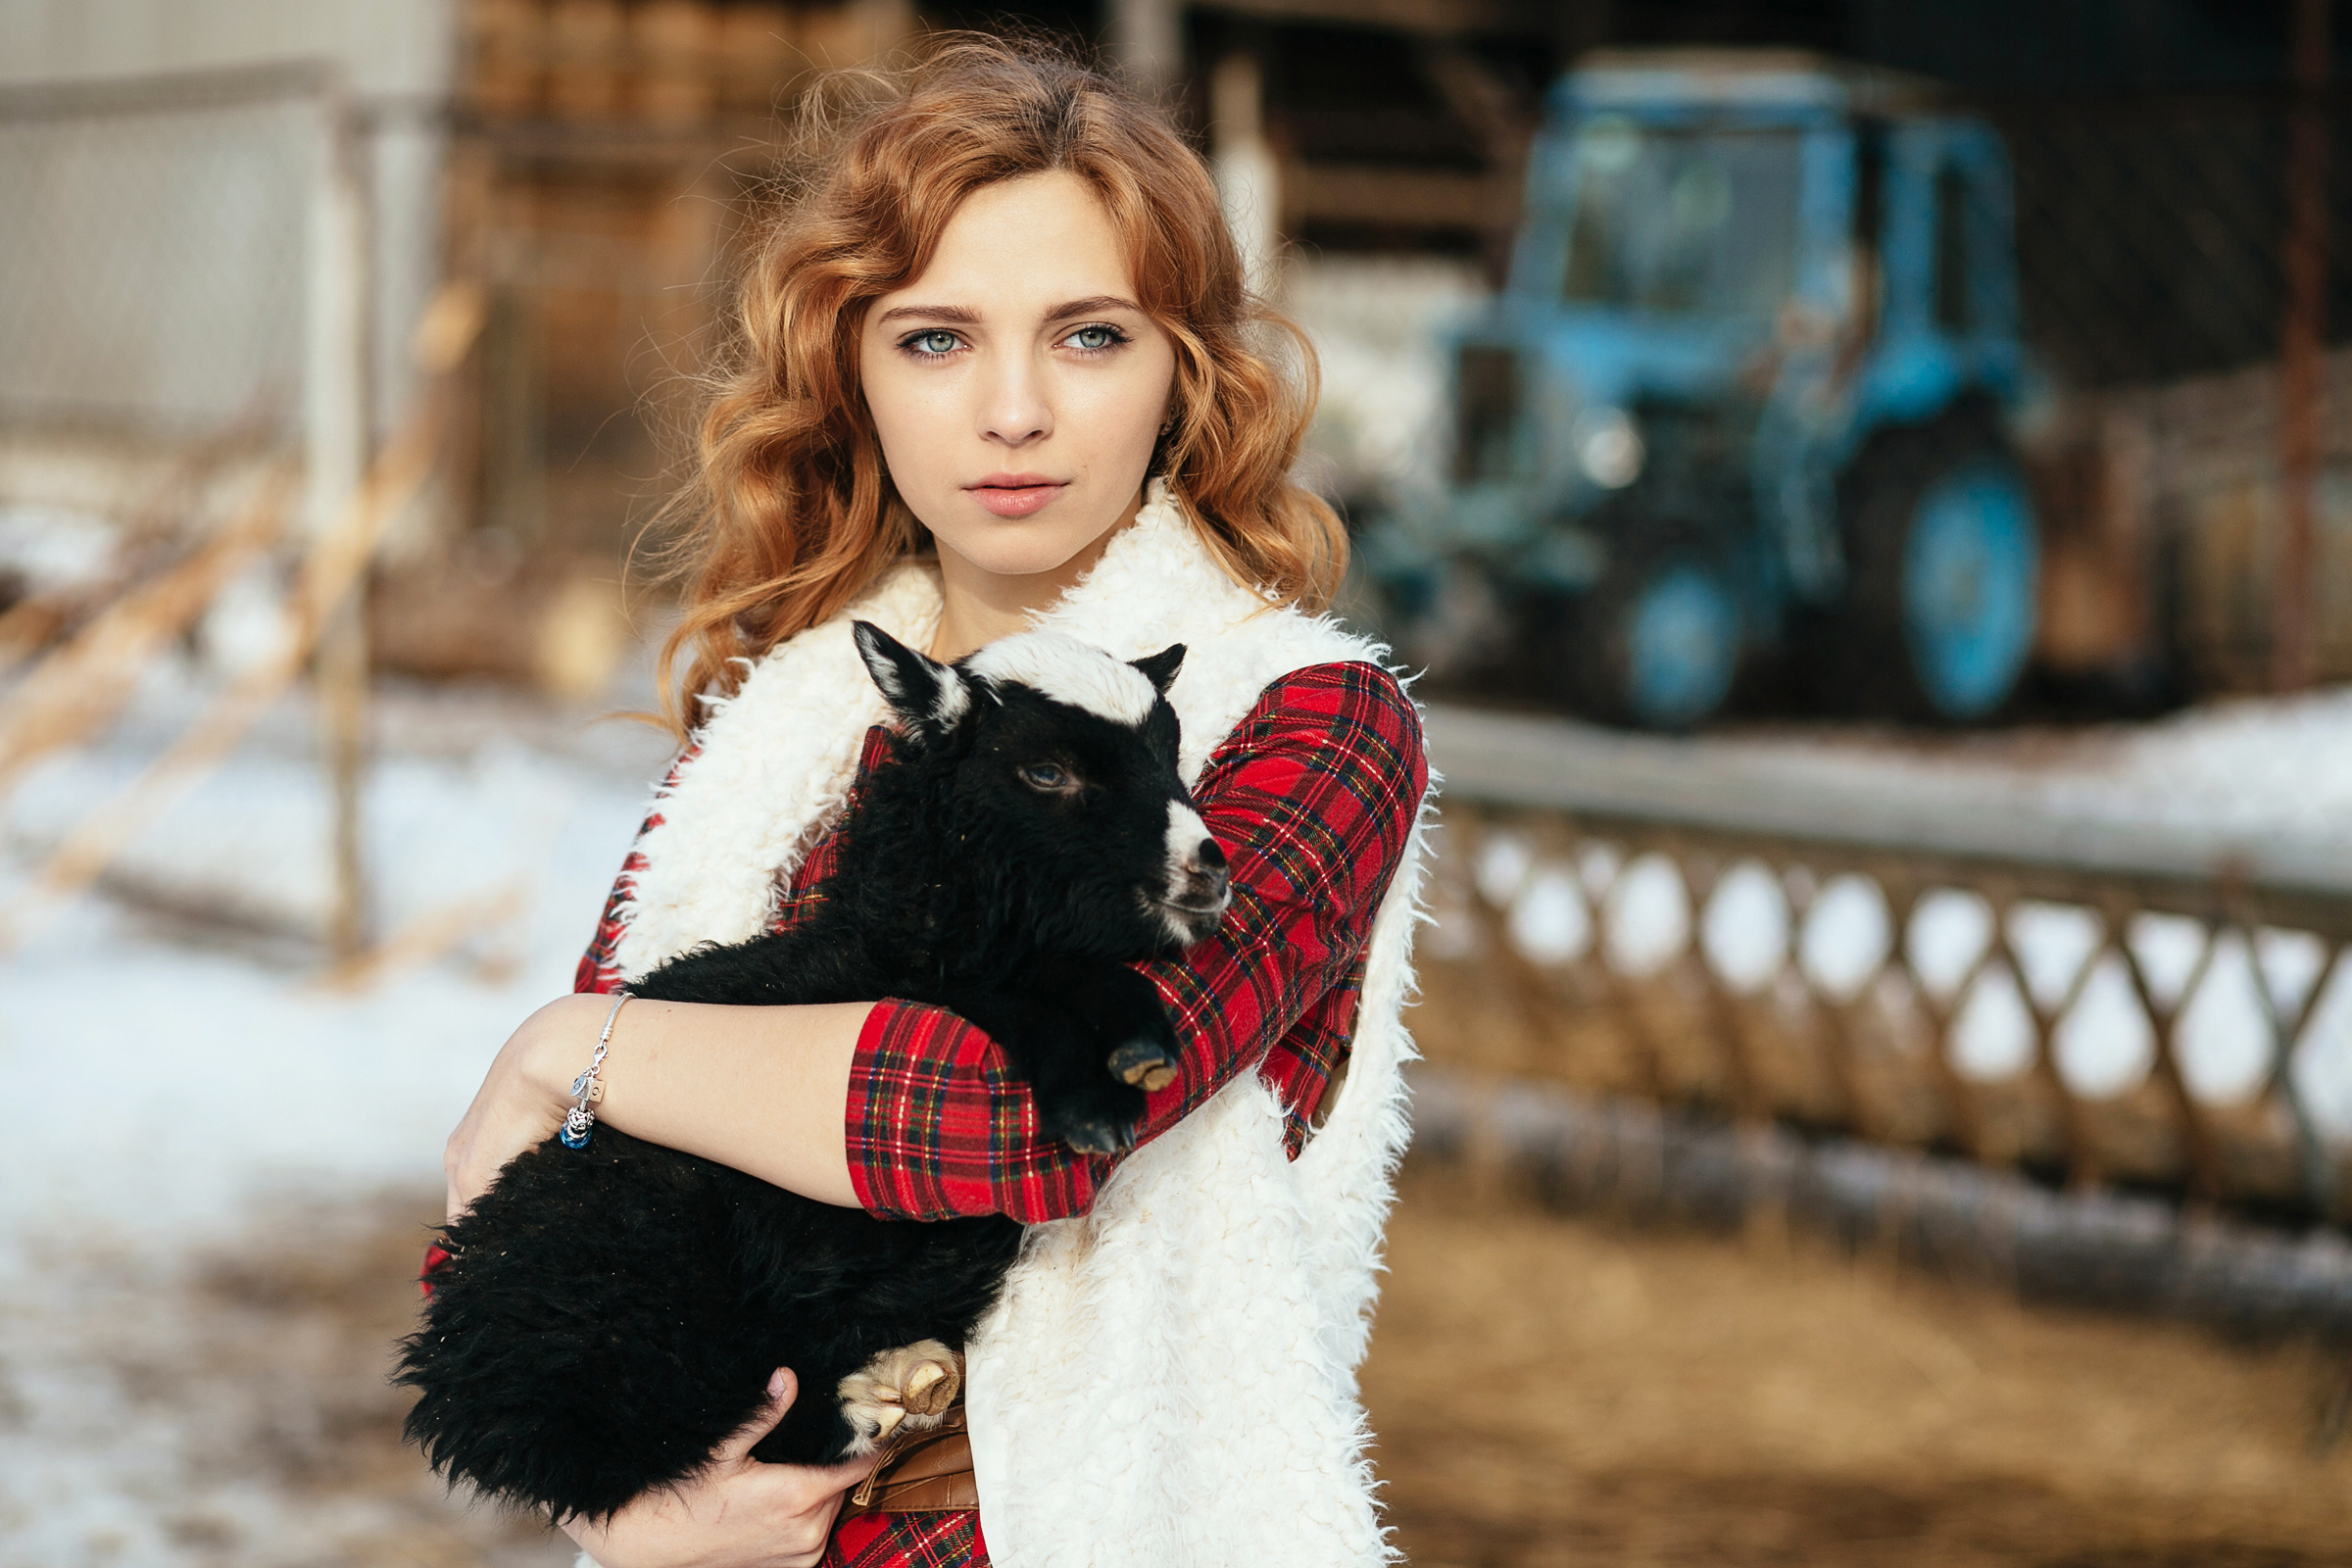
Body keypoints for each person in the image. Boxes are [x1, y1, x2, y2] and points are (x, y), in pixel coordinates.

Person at [439, 35, 1431, 1568]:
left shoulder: (1301, 726)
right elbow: (534, 1228)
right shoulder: (782, 745)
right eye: (937, 339)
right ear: (852, 369)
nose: (1014, 410)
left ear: (1186, 370)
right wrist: (630, 1523)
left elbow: (1023, 1115)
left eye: (1090, 337)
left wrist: (563, 1052)